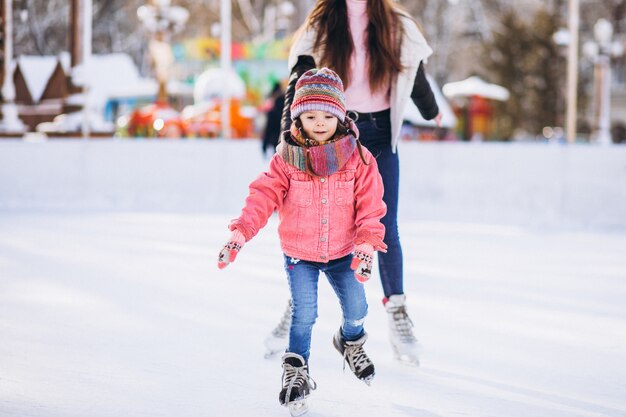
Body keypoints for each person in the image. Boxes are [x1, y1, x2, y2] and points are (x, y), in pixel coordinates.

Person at [264, 0, 443, 365]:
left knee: (383, 224)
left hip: (377, 133)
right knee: (315, 223)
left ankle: (397, 311)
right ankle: (296, 305)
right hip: (329, 135)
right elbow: (298, 82)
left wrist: (431, 110)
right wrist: (288, 137)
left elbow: (415, 72)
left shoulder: (396, 23)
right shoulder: (321, 23)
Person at [217, 68, 388, 412]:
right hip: (300, 254)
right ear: (298, 117)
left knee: (358, 308)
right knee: (304, 313)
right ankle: (296, 372)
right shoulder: (286, 159)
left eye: (327, 115)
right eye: (310, 116)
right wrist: (240, 232)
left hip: (345, 252)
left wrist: (367, 242)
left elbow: (371, 205)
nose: (320, 122)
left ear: (340, 116)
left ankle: (351, 341)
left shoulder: (359, 159)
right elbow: (262, 197)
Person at [261, 81, 286, 157]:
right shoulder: (285, 113)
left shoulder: (272, 112)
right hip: (282, 138)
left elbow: (268, 129)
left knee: (275, 155)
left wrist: (264, 145)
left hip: (274, 138)